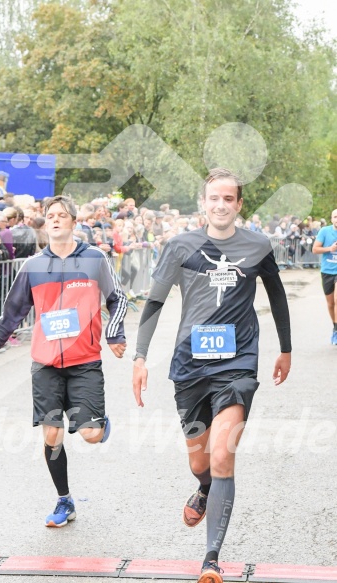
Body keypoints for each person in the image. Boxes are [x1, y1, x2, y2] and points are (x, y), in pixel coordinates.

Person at [132, 168, 291, 583]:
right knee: (199, 459)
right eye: (213, 198)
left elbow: (276, 294)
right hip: (190, 365)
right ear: (203, 203)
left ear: (239, 204)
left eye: (228, 199)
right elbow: (154, 301)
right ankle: (204, 488)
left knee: (223, 455)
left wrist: (286, 349)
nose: (221, 205)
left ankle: (211, 559)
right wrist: (140, 356)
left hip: (237, 364)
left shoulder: (257, 244)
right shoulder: (181, 245)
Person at [0, 195, 128, 527]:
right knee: (52, 436)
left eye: (62, 215)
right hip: (44, 363)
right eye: (50, 215)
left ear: (72, 221)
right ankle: (64, 500)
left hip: (84, 360)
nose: (55, 219)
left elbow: (117, 299)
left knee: (90, 436)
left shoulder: (95, 259)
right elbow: (10, 315)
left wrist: (114, 334)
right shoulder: (33, 266)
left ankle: (99, 422)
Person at [312, 208, 337, 345]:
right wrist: (330, 249)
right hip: (327, 271)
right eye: (335, 217)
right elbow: (315, 249)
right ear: (331, 219)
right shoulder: (324, 231)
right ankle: (335, 327)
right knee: (330, 303)